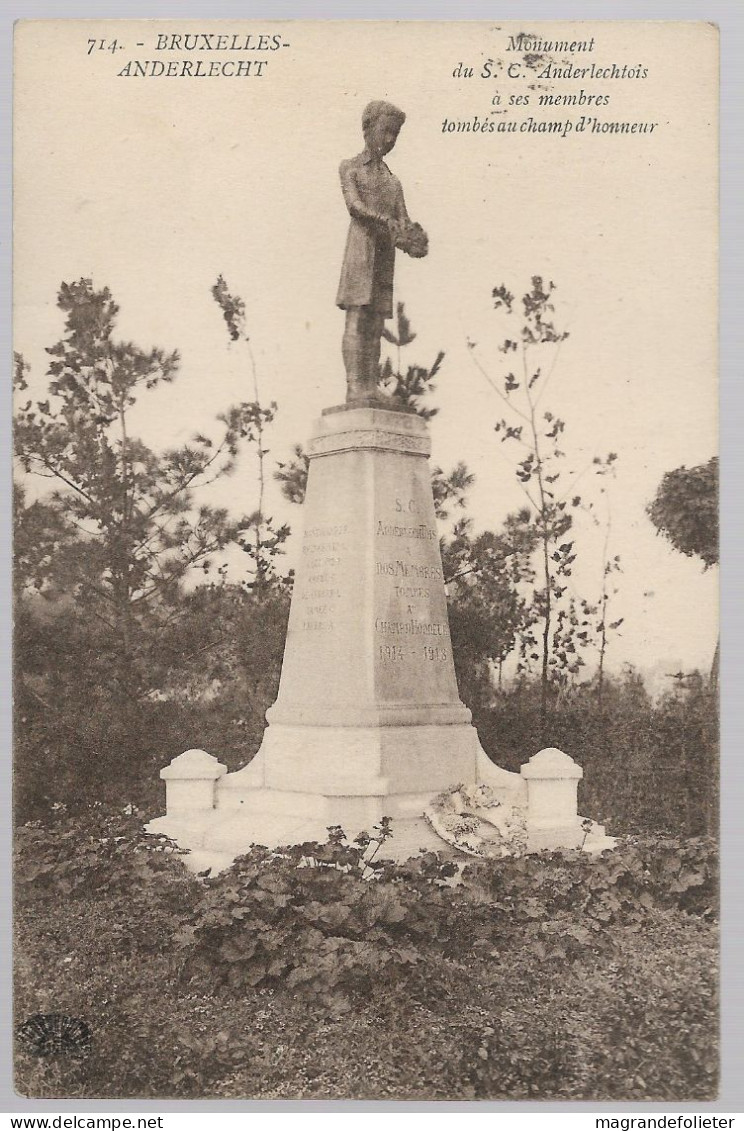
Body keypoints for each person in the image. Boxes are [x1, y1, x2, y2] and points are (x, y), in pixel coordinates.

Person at [336, 100, 428, 402]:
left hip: (384, 257)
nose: (389, 139)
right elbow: (354, 205)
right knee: (357, 317)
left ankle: (370, 385)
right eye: (385, 131)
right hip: (361, 251)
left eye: (395, 134)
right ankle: (354, 385)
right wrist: (382, 220)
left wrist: (413, 238)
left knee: (376, 322)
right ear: (368, 129)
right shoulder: (350, 168)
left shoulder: (393, 182)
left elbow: (403, 220)